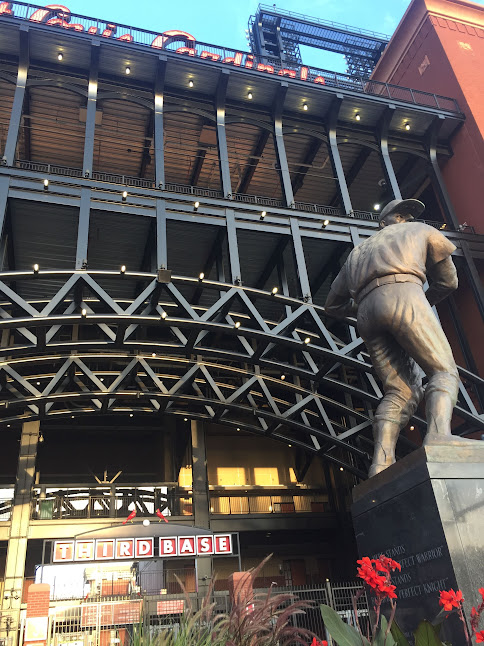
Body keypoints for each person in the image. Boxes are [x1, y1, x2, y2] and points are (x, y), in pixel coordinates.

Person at [324, 198, 473, 478]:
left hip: (367, 315)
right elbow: (448, 281)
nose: (405, 217)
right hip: (406, 294)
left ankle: (380, 464)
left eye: (407, 214)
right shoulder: (420, 230)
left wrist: (369, 303)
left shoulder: (357, 253)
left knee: (399, 392)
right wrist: (421, 302)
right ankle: (439, 435)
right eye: (401, 214)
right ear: (386, 221)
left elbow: (332, 305)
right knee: (443, 371)